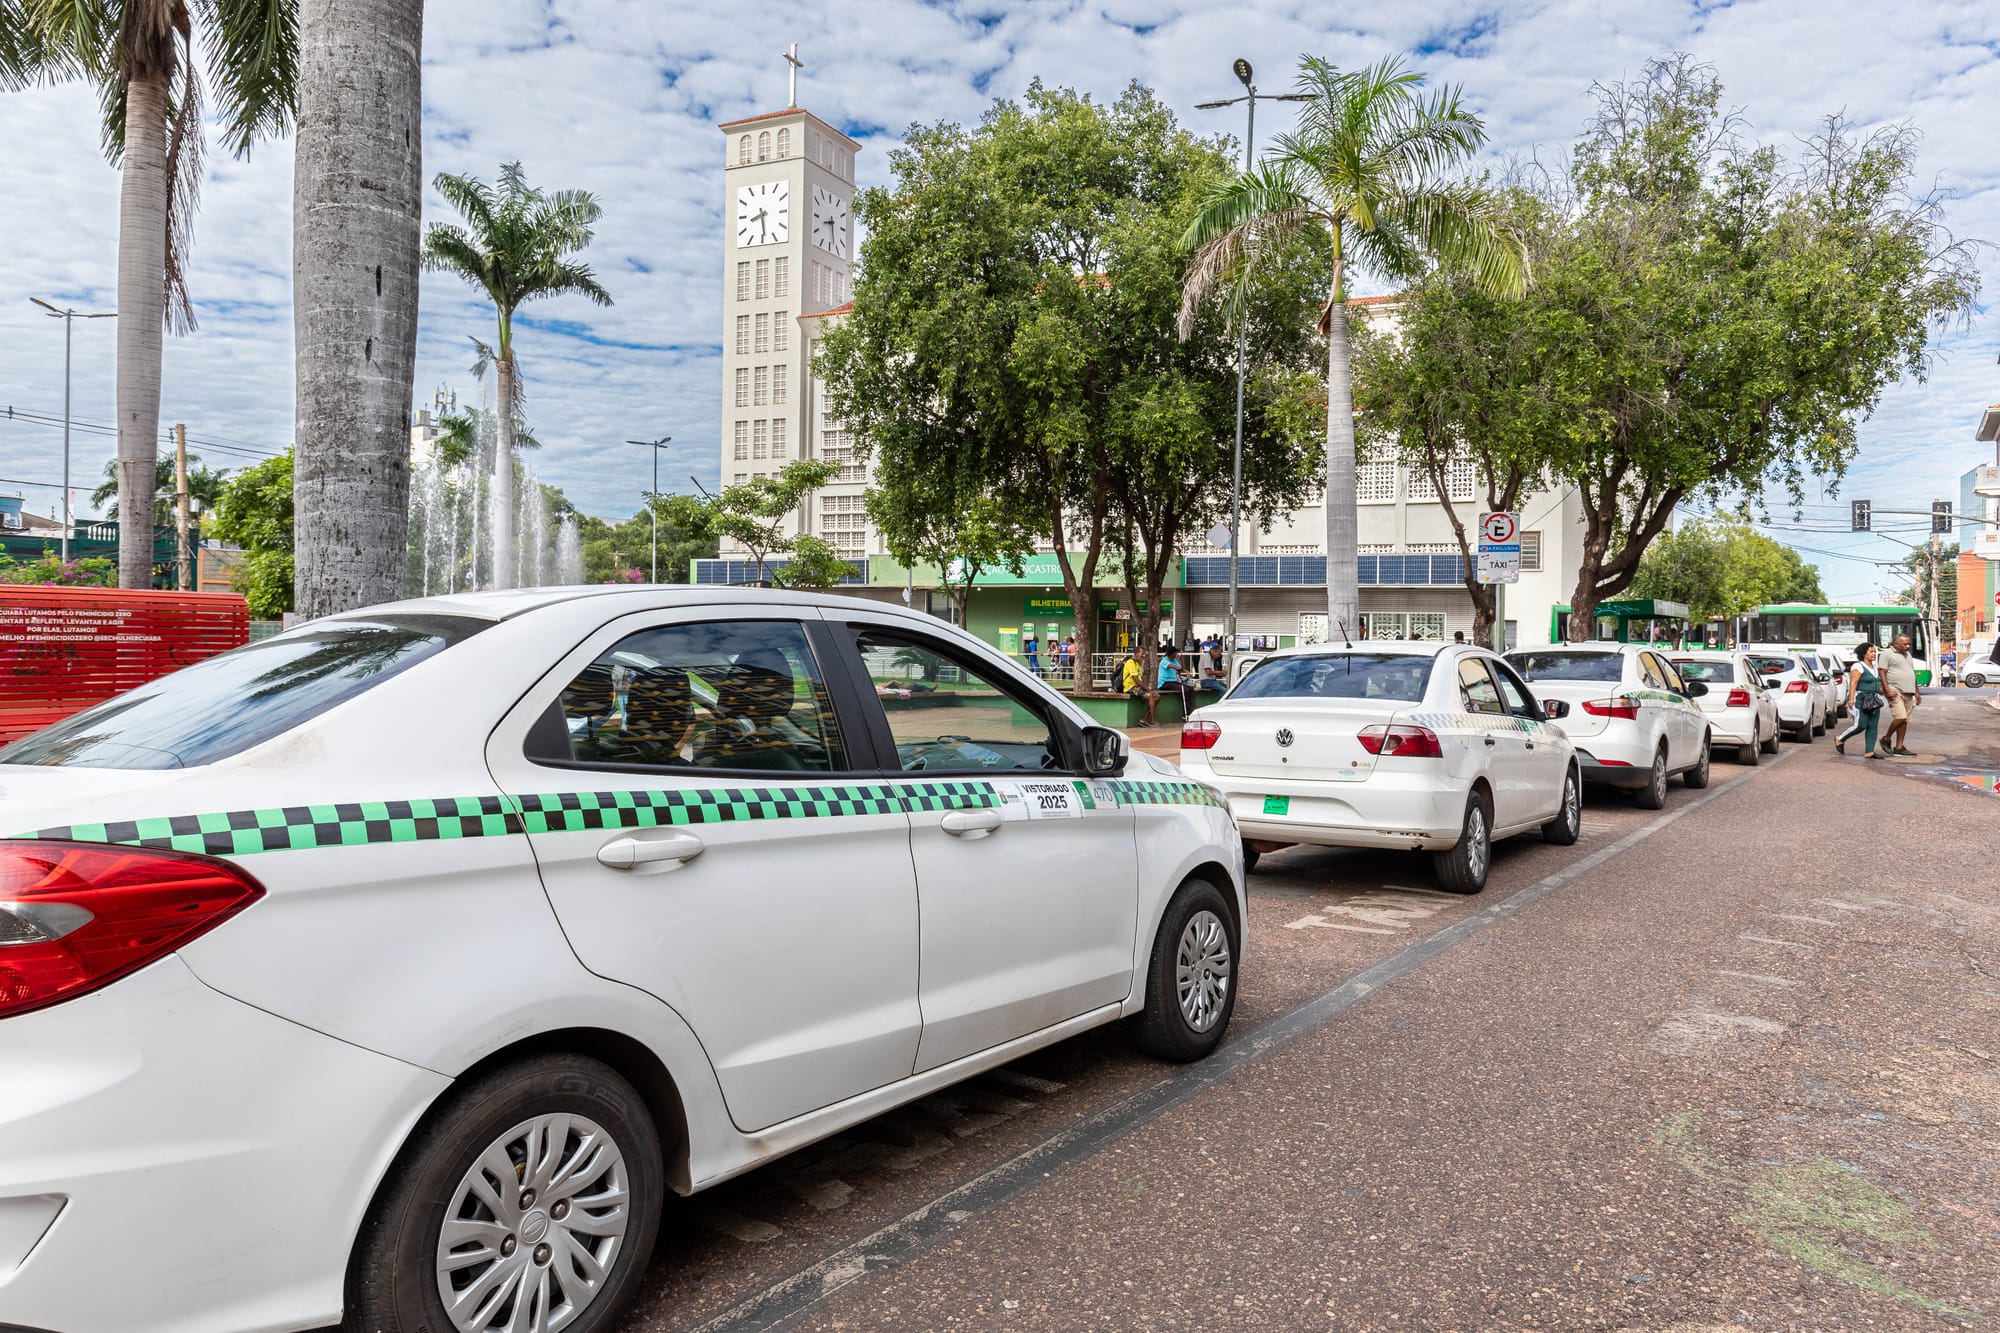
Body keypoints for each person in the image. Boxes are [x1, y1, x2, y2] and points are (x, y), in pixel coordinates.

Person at [1834, 641, 1886, 758]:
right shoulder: (1858, 666)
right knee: (1860, 724)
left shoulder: (1874, 668)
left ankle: (1869, 751)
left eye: (1874, 652)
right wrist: (1851, 699)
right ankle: (1840, 739)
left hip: (1873, 701)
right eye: (1871, 652)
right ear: (1864, 653)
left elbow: (1877, 684)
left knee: (1873, 725)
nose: (1874, 654)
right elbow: (1853, 683)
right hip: (1860, 699)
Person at [1877, 634, 1920, 757]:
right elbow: (1882, 672)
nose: (1907, 646)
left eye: (1909, 644)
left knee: (1904, 720)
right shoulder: (1887, 654)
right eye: (1904, 644)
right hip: (1895, 690)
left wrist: (1917, 691)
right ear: (1895, 644)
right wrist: (1887, 689)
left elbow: (1912, 673)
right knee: (1900, 717)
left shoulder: (1908, 655)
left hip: (1909, 691)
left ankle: (1899, 747)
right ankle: (1886, 738)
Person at [1120, 649, 1159, 727]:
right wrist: (1148, 691)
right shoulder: (1131, 662)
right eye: (1142, 654)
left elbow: (1141, 679)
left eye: (1144, 654)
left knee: (1157, 697)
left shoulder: (1139, 664)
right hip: (1130, 688)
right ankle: (1153, 721)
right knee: (1152, 696)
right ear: (1136, 653)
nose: (1143, 656)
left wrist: (1148, 689)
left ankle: (1143, 720)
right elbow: (1136, 679)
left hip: (1137, 688)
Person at [1158, 648, 1195, 718]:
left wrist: (1181, 660)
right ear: (1172, 654)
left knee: (1190, 688)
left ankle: (1192, 710)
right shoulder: (1164, 661)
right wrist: (1183, 669)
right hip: (1164, 683)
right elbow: (1177, 668)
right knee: (1185, 690)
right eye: (1176, 653)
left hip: (1173, 682)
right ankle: (1186, 713)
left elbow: (1181, 669)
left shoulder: (1174, 661)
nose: (1177, 654)